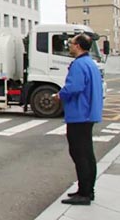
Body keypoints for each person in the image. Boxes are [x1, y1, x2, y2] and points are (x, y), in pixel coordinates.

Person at [55, 33, 104, 205]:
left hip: (79, 114)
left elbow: (74, 87)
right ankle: (88, 190)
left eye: (71, 43)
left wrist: (59, 95)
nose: (69, 45)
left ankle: (84, 194)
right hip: (88, 113)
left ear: (78, 46)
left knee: (79, 154)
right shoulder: (90, 63)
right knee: (87, 154)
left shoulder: (78, 64)